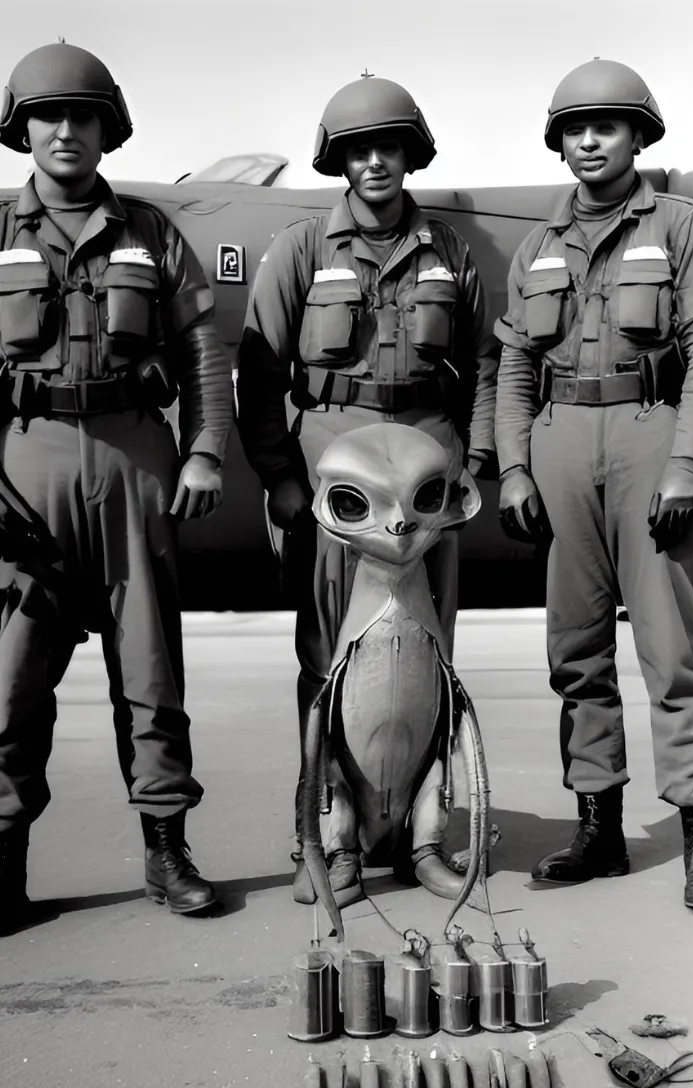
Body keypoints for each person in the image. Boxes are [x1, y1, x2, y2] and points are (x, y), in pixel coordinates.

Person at [236, 74, 498, 905]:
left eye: (388, 145)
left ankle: (426, 836)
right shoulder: (302, 248)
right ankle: (333, 837)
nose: (374, 161)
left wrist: (475, 465)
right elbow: (258, 369)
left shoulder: (450, 254)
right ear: (338, 160)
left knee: (431, 660)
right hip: (333, 473)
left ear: (410, 152)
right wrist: (280, 476)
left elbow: (484, 372)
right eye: (358, 148)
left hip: (425, 474)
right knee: (326, 662)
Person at [493, 58, 693, 912]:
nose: (589, 140)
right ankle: (598, 830)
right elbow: (515, 368)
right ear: (559, 143)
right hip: (561, 444)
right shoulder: (536, 245)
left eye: (606, 125)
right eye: (575, 128)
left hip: (647, 434)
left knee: (673, 652)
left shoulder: (683, 227)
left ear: (640, 134)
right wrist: (517, 465)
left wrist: (687, 462)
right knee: (576, 654)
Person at [0, 43, 234, 936]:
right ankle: (4, 858)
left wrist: (204, 451)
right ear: (23, 129)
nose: (66, 131)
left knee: (149, 669)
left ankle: (167, 849)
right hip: (29, 466)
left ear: (107, 130)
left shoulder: (150, 231)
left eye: (83, 116)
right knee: (12, 679)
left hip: (137, 460)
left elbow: (202, 356)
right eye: (48, 116)